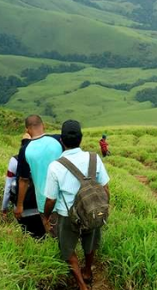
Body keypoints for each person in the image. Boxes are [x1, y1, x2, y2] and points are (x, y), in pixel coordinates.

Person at [44, 120, 110, 290]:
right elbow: (105, 189)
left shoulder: (55, 166)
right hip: (92, 211)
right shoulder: (94, 158)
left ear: (61, 140)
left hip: (67, 215)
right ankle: (88, 271)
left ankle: (81, 285)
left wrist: (45, 216)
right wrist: (103, 208)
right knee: (90, 243)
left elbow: (50, 199)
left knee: (67, 248)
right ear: (81, 138)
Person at [15, 115, 64, 235]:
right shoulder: (58, 140)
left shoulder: (25, 150)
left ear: (27, 130)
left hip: (45, 203)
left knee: (54, 236)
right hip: (67, 197)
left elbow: (24, 180)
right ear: (44, 125)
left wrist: (20, 205)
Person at [1, 150, 45, 239]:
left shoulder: (14, 160)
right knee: (41, 237)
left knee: (27, 236)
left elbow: (8, 188)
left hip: (22, 209)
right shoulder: (44, 159)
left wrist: (4, 208)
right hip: (42, 207)